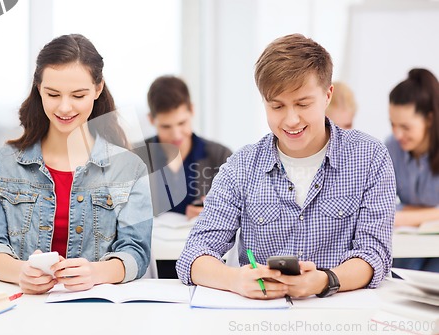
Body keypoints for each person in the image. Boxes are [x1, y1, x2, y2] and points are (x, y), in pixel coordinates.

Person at [176, 34, 395, 300]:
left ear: (327, 96)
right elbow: (194, 254)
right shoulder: (242, 166)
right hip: (262, 317)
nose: (291, 120)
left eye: (303, 104)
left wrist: (325, 281)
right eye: (277, 106)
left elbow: (374, 254)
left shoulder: (369, 157)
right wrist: (235, 279)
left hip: (343, 314)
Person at [0, 34, 153, 294]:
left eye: (78, 95)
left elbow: (136, 252)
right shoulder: (2, 165)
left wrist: (95, 273)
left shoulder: (130, 169)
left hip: (96, 312)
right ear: (39, 88)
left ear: (98, 89)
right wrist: (20, 272)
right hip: (24, 312)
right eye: (53, 94)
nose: (65, 107)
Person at [144, 75, 232, 219]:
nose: (176, 135)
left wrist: (214, 210)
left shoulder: (221, 157)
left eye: (182, 123)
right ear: (151, 120)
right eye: (166, 126)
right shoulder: (135, 159)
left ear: (192, 110)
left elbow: (242, 211)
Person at [386, 68, 439, 273]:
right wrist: (431, 212)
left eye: (405, 127)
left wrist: (406, 214)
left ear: (429, 119)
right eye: (393, 124)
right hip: (406, 244)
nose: (398, 133)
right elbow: (381, 207)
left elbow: (394, 216)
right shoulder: (391, 147)